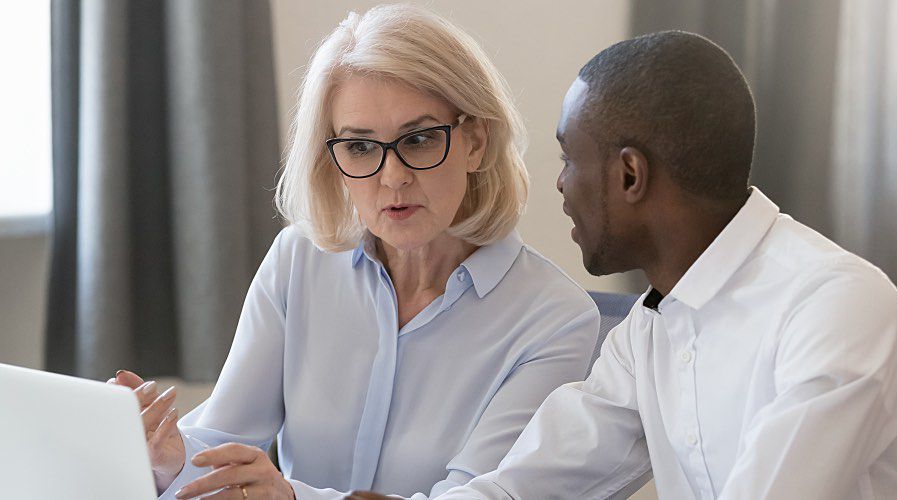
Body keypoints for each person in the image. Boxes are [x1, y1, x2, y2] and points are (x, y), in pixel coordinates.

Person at [357, 30, 897, 500]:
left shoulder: (834, 307)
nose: (560, 185)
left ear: (630, 175)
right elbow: (527, 484)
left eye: (569, 158)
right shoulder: (649, 329)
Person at [108, 5, 601, 499]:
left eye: (420, 138)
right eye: (361, 147)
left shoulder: (555, 320)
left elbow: (474, 497)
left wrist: (291, 496)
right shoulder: (298, 262)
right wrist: (169, 456)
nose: (393, 177)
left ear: (475, 141)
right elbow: (222, 440)